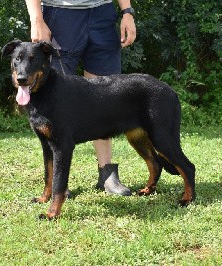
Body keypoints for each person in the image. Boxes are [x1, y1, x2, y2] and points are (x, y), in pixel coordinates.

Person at [24, 0, 137, 196]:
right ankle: (59, 185)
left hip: (103, 14)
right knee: (57, 104)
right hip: (60, 16)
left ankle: (107, 174)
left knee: (104, 98)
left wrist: (127, 11)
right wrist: (36, 18)